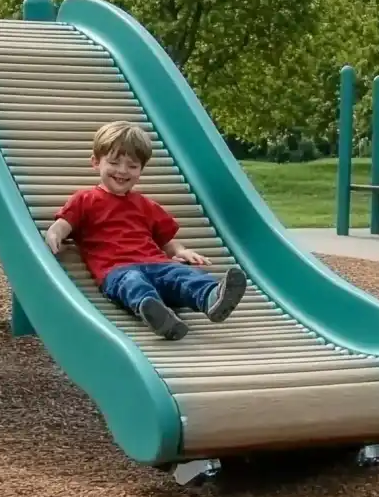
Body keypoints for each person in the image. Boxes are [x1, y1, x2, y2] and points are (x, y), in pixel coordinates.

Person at [44, 120, 247, 341]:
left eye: (132, 166)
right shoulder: (85, 200)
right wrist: (55, 235)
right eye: (114, 163)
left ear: (141, 169)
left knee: (183, 274)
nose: (123, 171)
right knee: (132, 283)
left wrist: (182, 251)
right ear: (95, 162)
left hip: (157, 264)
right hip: (116, 270)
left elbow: (167, 242)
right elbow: (63, 224)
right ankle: (156, 313)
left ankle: (211, 297)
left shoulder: (146, 205)